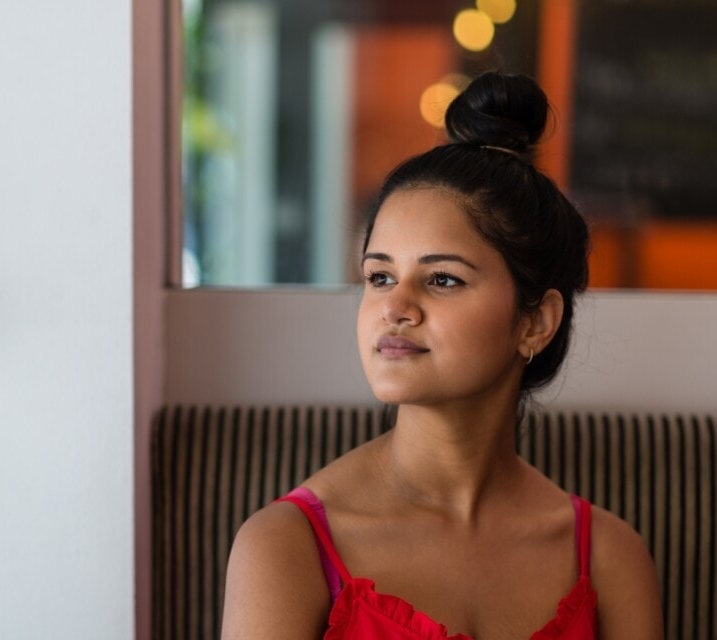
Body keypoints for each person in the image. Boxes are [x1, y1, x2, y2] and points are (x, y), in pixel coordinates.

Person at [221, 71, 663, 639]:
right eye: (379, 276)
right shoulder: (285, 545)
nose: (394, 307)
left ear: (535, 322)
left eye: (443, 280)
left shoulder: (609, 558)